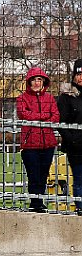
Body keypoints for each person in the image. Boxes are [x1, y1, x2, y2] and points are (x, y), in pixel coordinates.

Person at [16, 67, 60, 213]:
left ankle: (39, 201)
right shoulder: (22, 98)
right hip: (30, 144)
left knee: (43, 174)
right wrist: (43, 116)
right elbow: (24, 114)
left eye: (39, 80)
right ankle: (34, 202)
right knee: (33, 174)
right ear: (29, 82)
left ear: (43, 82)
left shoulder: (50, 98)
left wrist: (38, 117)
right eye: (34, 80)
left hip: (47, 143)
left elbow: (55, 117)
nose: (36, 83)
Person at [57, 59, 82, 216]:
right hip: (76, 147)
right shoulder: (67, 97)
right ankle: (80, 206)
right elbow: (61, 122)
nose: (81, 77)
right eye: (78, 74)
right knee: (79, 177)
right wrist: (72, 140)